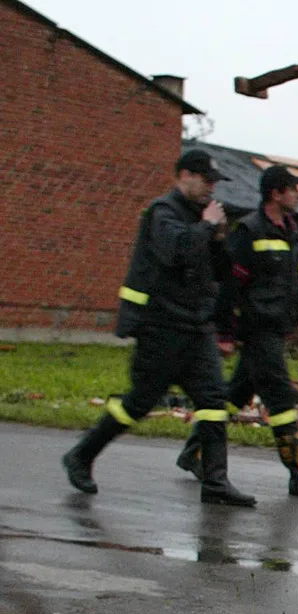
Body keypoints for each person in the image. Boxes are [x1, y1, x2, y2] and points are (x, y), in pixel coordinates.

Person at [62, 150, 255, 506]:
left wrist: (217, 241)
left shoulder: (200, 218)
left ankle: (215, 482)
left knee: (214, 401)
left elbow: (217, 272)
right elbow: (175, 252)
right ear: (184, 175)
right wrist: (207, 227)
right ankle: (81, 455)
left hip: (196, 327)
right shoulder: (162, 212)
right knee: (139, 402)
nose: (211, 189)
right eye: (206, 181)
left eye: (214, 183)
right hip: (160, 326)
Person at [176, 165, 298, 496]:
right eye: (293, 189)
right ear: (276, 193)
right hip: (256, 328)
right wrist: (225, 333)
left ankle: (193, 451)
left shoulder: (290, 231)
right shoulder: (249, 231)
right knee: (280, 397)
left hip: (278, 327)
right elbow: (229, 286)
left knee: (234, 395)